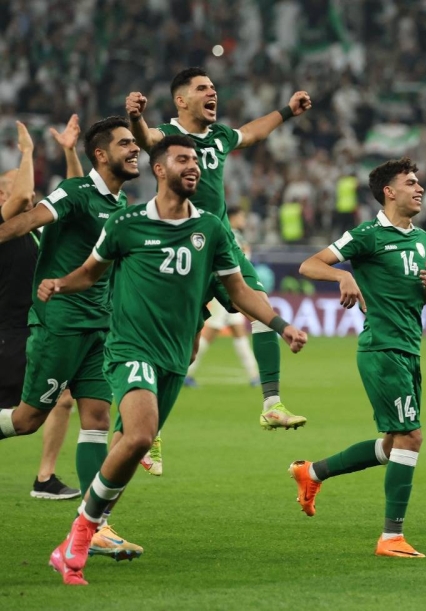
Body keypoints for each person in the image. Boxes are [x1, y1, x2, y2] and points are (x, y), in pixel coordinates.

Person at [43, 135, 308, 586]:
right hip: (130, 348)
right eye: (183, 159)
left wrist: (281, 325)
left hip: (172, 357)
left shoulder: (212, 228)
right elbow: (91, 272)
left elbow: (239, 291)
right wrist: (59, 284)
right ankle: (81, 536)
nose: (194, 167)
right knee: (142, 434)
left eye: (196, 161)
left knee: (132, 447)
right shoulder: (126, 223)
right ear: (159, 169)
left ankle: (81, 534)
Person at [125, 67, 311, 431]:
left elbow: (253, 133)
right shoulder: (170, 137)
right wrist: (135, 117)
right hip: (182, 247)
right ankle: (147, 430)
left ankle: (272, 403)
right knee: (186, 350)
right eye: (202, 88)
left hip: (221, 243)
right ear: (181, 100)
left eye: (213, 87)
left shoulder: (221, 135)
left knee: (260, 306)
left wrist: (287, 110)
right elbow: (146, 139)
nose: (213, 93)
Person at [0, 116, 146, 559]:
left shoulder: (116, 205)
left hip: (99, 326)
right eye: (125, 144)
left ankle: (95, 525)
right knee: (27, 420)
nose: (135, 148)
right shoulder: (77, 193)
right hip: (60, 322)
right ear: (102, 154)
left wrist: (69, 151)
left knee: (98, 419)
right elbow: (27, 220)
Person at [292, 158, 426, 558]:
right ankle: (391, 537)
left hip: (409, 346)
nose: (419, 188)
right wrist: (343, 275)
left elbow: (413, 301)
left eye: (419, 181)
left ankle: (312, 472)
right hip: (382, 349)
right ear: (389, 192)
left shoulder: (421, 237)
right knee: (412, 436)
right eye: (410, 182)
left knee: (395, 445)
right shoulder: (368, 234)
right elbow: (310, 264)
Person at [0, 118, 83, 500]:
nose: (26, 191)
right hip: (8, 335)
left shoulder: (33, 229)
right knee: (19, 417)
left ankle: (45, 478)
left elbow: (77, 200)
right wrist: (28, 152)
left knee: (61, 398)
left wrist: (69, 153)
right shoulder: (6, 225)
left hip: (31, 331)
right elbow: (18, 200)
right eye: (13, 185)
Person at [185, 206, 260, 389]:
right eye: (241, 216)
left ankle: (255, 375)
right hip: (226, 289)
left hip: (231, 289)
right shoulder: (229, 234)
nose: (243, 219)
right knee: (211, 331)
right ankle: (185, 372)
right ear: (233, 217)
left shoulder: (234, 234)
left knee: (238, 331)